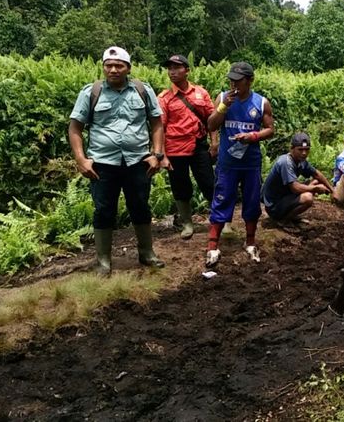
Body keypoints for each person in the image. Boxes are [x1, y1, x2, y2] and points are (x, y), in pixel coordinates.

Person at [68, 46, 166, 275]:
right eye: (108, 65)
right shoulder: (91, 92)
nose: (113, 70)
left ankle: (147, 253)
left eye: (118, 65)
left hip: (138, 162)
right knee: (103, 210)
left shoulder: (142, 90)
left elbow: (156, 123)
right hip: (103, 164)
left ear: (128, 68)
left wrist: (157, 154)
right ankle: (103, 261)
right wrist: (81, 160)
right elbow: (75, 128)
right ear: (103, 67)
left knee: (140, 206)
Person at [206, 62, 274, 267]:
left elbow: (270, 129)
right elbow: (211, 125)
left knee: (252, 202)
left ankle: (251, 242)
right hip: (227, 163)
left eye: (238, 81)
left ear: (249, 81)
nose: (234, 84)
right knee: (221, 200)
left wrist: (253, 136)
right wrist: (223, 106)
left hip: (250, 163)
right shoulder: (223, 98)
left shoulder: (261, 103)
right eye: (231, 80)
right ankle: (212, 246)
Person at [157, 54, 217, 239]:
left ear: (187, 70)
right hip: (175, 149)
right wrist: (162, 155)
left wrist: (214, 142)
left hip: (199, 146)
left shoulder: (201, 93)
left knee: (209, 183)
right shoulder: (164, 98)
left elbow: (211, 120)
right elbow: (160, 127)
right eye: (170, 68)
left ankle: (221, 221)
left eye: (177, 68)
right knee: (180, 187)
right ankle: (187, 223)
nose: (172, 72)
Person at [262, 132, 333, 222]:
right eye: (300, 149)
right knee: (308, 198)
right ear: (292, 148)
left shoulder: (301, 161)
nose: (304, 153)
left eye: (307, 149)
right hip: (274, 205)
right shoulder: (286, 162)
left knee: (316, 181)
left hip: (286, 195)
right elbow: (295, 188)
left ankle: (290, 215)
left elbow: (316, 174)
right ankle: (284, 220)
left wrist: (332, 190)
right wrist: (315, 189)